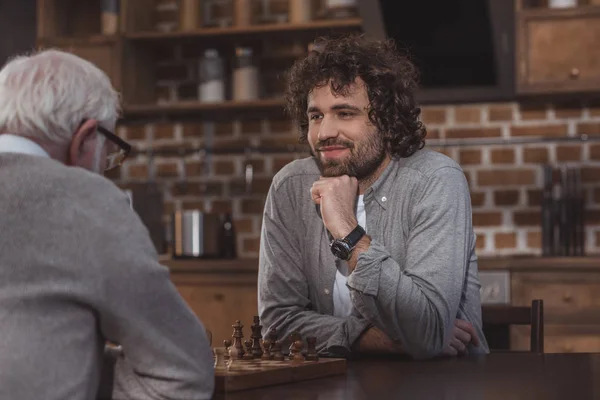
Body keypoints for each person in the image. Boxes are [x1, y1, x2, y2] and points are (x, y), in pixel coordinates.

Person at [258, 35, 489, 359]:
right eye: (316, 116)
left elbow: (427, 329)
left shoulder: (434, 180)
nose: (324, 132)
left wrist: (348, 232)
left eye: (345, 113)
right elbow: (277, 325)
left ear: (385, 118)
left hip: (437, 385)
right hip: (331, 385)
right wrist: (375, 339)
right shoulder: (290, 187)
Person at [0, 50, 214, 399]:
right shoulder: (85, 199)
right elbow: (183, 370)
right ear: (85, 138)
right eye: (108, 151)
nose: (106, 168)